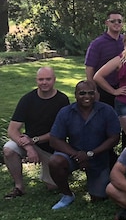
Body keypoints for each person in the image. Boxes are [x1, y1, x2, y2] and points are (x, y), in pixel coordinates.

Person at [48, 81, 121, 210]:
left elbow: (114, 138)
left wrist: (90, 154)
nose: (87, 96)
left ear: (96, 94)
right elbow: (54, 140)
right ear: (75, 95)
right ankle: (67, 195)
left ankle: (96, 184)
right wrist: (77, 155)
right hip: (73, 155)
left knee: (98, 199)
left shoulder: (107, 111)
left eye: (91, 93)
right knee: (55, 161)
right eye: (82, 93)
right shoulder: (65, 112)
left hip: (99, 158)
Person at [3, 67, 70, 199]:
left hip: (52, 147)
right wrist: (29, 147)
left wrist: (34, 140)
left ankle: (60, 171)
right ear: (36, 80)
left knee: (53, 187)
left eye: (48, 79)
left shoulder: (62, 100)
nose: (44, 82)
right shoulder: (27, 99)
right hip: (29, 143)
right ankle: (19, 187)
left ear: (54, 80)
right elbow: (12, 129)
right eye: (41, 79)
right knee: (8, 149)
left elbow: (60, 132)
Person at [85, 10, 124, 107]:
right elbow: (89, 68)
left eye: (119, 21)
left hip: (123, 88)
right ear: (107, 23)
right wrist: (93, 91)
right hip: (103, 90)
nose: (116, 23)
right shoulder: (97, 44)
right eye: (113, 21)